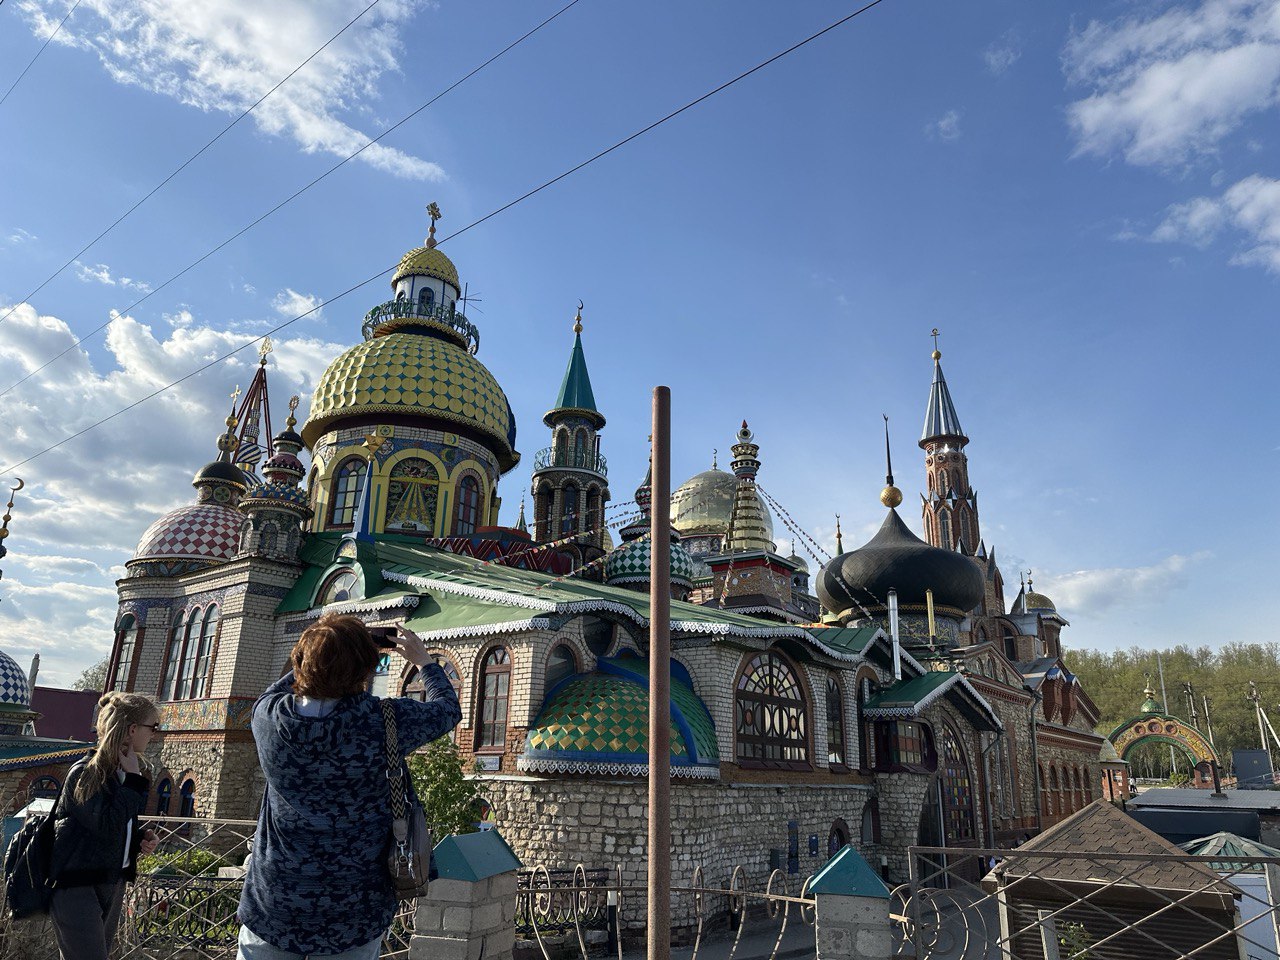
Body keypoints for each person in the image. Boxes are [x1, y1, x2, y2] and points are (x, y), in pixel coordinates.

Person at [237, 614, 462, 960]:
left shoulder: (268, 719)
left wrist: (322, 651)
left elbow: (276, 689)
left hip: (274, 904)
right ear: (367, 670)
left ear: (300, 662)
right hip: (354, 911)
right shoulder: (384, 720)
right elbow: (447, 710)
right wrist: (424, 661)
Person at [49, 691, 161, 960]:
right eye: (153, 727)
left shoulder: (122, 771)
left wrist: (137, 839)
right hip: (77, 885)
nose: (154, 734)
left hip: (111, 881)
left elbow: (109, 828)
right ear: (132, 729)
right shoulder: (86, 773)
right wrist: (133, 782)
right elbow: (104, 827)